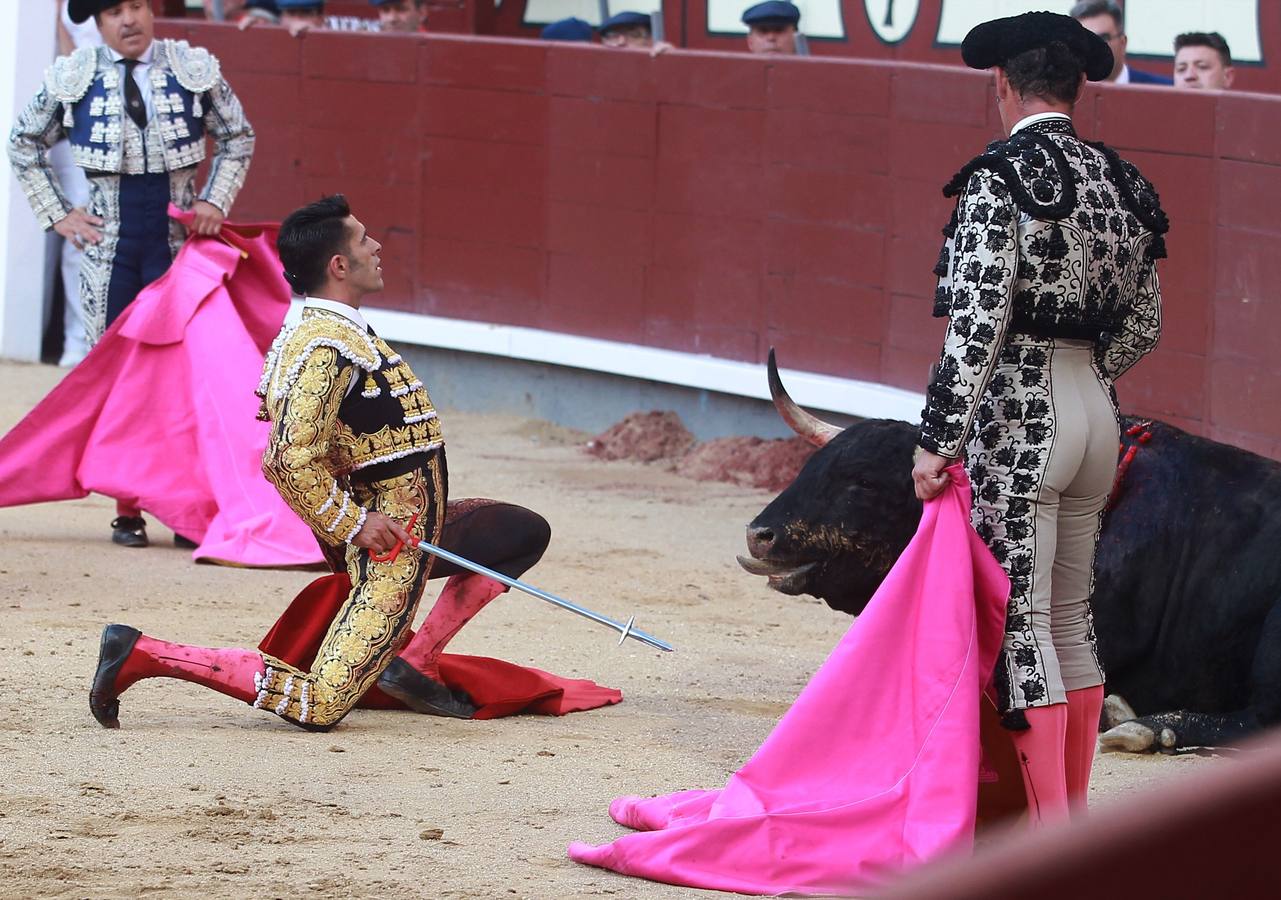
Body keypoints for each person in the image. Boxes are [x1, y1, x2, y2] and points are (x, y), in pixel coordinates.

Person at [88, 195, 566, 729]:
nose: (376, 246)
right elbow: (286, 460)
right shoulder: (326, 348)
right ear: (339, 265)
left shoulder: (335, 333)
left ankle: (416, 661)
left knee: (521, 532)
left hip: (410, 523)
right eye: (363, 239)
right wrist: (354, 525)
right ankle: (143, 654)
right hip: (388, 544)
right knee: (319, 704)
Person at [912, 11, 1166, 825]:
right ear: (1077, 87)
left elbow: (978, 321)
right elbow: (1145, 323)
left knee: (1023, 622)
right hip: (1096, 415)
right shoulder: (1122, 181)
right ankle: (1071, 818)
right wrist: (1087, 376)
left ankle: (1052, 838)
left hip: (1023, 421)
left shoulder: (999, 176)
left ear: (1000, 83)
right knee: (1070, 617)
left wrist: (938, 439)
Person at [8, 0, 255, 549]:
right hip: (109, 252)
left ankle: (191, 508)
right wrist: (58, 214)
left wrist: (214, 199)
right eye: (115, 11)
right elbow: (22, 142)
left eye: (138, 5)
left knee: (185, 381)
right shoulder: (75, 75)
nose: (129, 20)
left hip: (178, 249)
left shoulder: (191, 68)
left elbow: (238, 135)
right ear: (97, 23)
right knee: (120, 385)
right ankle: (128, 511)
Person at [1069, 0, 1171, 85]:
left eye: (1103, 38)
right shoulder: (1062, 95)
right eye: (1085, 39)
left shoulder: (1163, 90)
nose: (1093, 47)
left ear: (1123, 43)